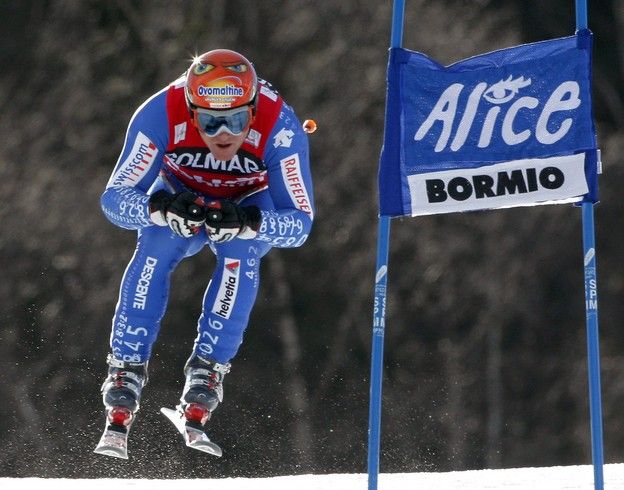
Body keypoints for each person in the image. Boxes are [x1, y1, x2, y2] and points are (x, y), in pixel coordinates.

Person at [98, 49, 315, 436]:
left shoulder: (281, 125)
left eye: (235, 120)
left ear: (252, 111)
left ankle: (208, 370)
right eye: (210, 122)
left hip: (248, 201)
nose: (224, 134)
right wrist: (160, 208)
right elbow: (113, 200)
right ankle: (125, 367)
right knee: (157, 246)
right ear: (192, 111)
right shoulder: (160, 112)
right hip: (181, 196)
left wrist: (251, 221)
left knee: (241, 252)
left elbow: (300, 224)